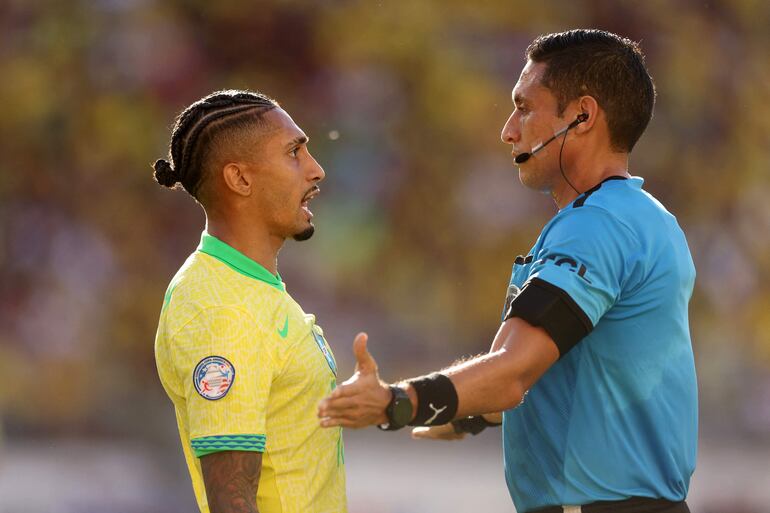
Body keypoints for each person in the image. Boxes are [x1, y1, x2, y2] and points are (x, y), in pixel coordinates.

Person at [318, 29, 697, 513]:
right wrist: (469, 413)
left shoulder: (596, 226)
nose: (508, 130)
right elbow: (567, 373)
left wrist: (396, 402)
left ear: (582, 115)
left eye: (524, 107)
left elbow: (513, 373)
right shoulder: (642, 217)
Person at [153, 90, 346, 513]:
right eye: (294, 153)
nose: (316, 170)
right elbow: (232, 501)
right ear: (240, 179)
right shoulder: (222, 310)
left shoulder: (249, 287)